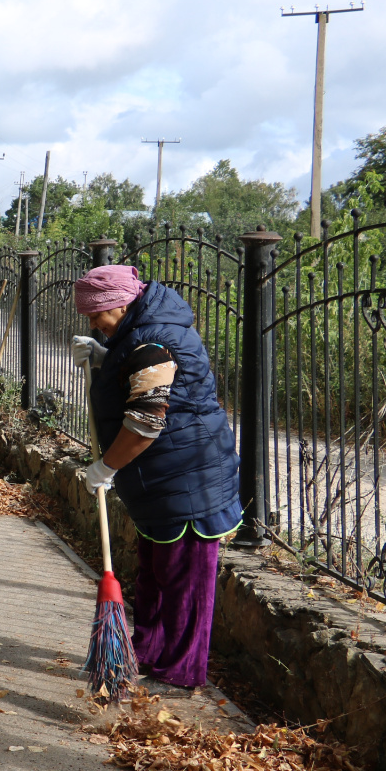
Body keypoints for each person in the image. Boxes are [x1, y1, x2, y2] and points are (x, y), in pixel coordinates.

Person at [73, 264, 241, 693]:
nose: (94, 323)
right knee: (155, 573)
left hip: (189, 482)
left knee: (185, 582)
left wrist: (107, 465)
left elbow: (146, 422)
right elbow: (137, 372)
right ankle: (146, 652)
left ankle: (181, 673)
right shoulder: (141, 331)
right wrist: (105, 357)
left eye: (97, 315)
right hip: (163, 482)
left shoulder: (155, 340)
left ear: (123, 303)